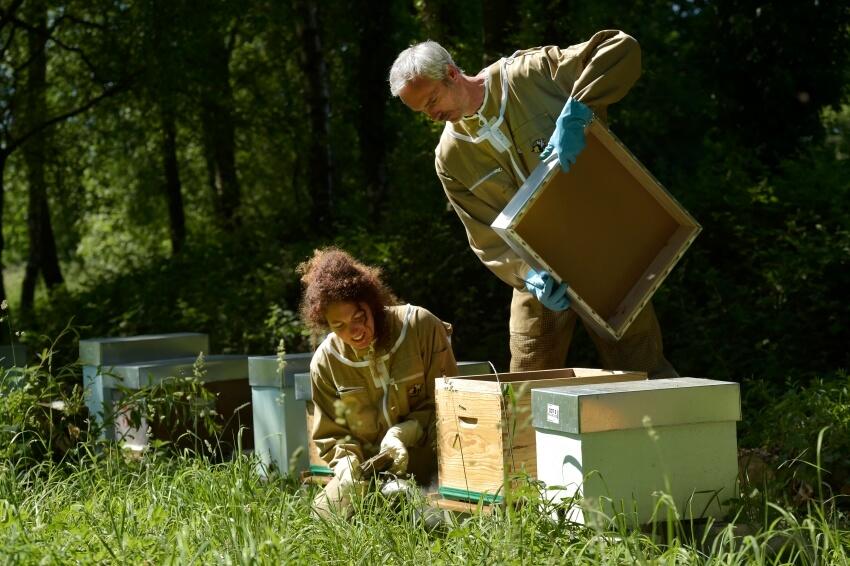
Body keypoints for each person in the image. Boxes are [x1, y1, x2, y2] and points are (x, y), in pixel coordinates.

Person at [388, 30, 677, 378]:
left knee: (640, 365)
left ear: (451, 73)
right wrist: (528, 275)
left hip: (603, 248)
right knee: (527, 378)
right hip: (539, 271)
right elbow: (484, 235)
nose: (431, 114)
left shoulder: (529, 74)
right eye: (421, 111)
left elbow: (621, 49)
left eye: (431, 100)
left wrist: (577, 111)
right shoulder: (450, 159)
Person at [298, 247, 458, 517]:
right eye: (339, 326)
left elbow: (452, 407)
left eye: (358, 318)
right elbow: (331, 435)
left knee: (437, 520)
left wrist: (405, 432)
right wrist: (347, 465)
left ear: (372, 304)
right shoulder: (325, 362)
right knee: (320, 519)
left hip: (434, 468)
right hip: (369, 478)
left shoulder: (420, 326)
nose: (354, 332)